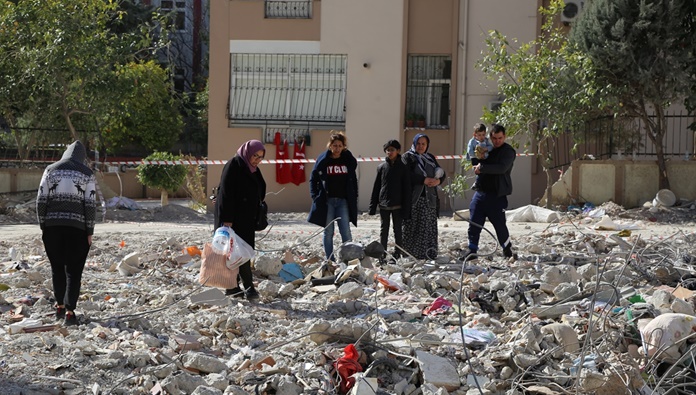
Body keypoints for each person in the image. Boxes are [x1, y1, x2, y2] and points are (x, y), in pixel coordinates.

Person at [36, 140, 96, 326]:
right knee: (74, 271)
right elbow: (90, 205)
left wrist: (44, 225)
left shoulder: (51, 170)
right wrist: (89, 231)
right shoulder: (87, 174)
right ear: (82, 156)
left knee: (57, 268)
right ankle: (70, 312)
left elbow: (41, 200)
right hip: (77, 229)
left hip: (52, 227)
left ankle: (59, 306)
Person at [214, 140, 267, 300]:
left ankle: (236, 287)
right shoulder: (234, 165)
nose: (256, 160)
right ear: (247, 153)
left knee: (242, 252)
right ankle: (243, 287)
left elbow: (260, 189)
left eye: (260, 157)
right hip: (233, 219)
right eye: (254, 156)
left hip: (246, 218)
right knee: (235, 253)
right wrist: (227, 219)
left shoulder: (253, 170)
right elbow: (226, 194)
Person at [464, 123, 516, 259]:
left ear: (504, 137)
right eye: (494, 138)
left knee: (499, 224)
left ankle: (507, 249)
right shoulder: (486, 148)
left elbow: (501, 168)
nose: (497, 141)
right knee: (474, 221)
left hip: (497, 195)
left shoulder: (508, 151)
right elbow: (475, 159)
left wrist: (483, 168)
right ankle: (472, 250)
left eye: (500, 138)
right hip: (481, 192)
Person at [308, 131, 358, 261]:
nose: (337, 149)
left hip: (343, 201)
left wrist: (355, 196)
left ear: (344, 146)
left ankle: (348, 258)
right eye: (335, 145)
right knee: (328, 232)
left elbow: (353, 179)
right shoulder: (323, 161)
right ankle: (330, 259)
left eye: (340, 146)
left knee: (346, 231)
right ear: (330, 146)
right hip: (328, 201)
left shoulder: (347, 160)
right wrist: (314, 196)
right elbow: (313, 178)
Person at [402, 133, 445, 259]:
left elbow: (441, 172)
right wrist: (423, 180)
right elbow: (406, 175)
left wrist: (438, 181)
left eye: (423, 144)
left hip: (429, 199)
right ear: (414, 144)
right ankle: (410, 256)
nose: (421, 146)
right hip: (413, 200)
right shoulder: (408, 157)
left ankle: (428, 255)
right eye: (418, 143)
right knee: (412, 227)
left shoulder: (430, 158)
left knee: (427, 228)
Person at [369, 140, 411, 260]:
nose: (390, 152)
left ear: (398, 151)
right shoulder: (381, 167)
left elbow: (407, 189)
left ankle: (398, 253)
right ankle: (383, 254)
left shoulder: (403, 168)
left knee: (397, 229)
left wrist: (407, 208)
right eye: (388, 150)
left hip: (398, 205)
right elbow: (376, 187)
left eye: (392, 150)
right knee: (384, 230)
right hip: (384, 205)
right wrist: (372, 206)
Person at [466, 123, 493, 191]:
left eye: (483, 135)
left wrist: (485, 149)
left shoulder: (486, 141)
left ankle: (480, 183)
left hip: (483, 158)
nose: (482, 137)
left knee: (484, 170)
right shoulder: (472, 142)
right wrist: (477, 155)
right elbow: (470, 151)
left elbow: (491, 147)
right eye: (479, 135)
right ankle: (477, 183)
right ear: (475, 135)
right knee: (479, 169)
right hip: (475, 159)